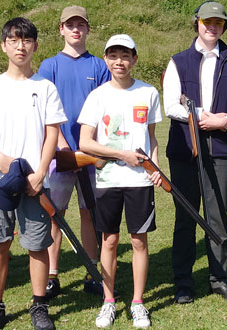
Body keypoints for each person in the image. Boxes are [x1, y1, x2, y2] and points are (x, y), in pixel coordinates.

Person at [0, 17, 66, 330]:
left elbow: (52, 134)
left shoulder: (45, 87)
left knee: (37, 246)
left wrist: (39, 174)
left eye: (26, 40)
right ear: (4, 45)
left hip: (36, 183)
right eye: (13, 40)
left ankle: (38, 305)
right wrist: (0, 159)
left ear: (35, 46)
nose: (20, 46)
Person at [162, 1, 227, 305]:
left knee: (217, 218)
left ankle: (219, 279)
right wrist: (199, 115)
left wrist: (224, 120)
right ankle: (183, 282)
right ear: (197, 23)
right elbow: (171, 104)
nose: (212, 27)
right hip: (185, 149)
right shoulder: (178, 61)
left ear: (223, 26)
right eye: (207, 22)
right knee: (186, 217)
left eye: (219, 23)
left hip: (222, 149)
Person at [78, 34, 162, 329]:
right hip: (108, 179)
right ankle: (108, 301)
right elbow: (85, 142)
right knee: (109, 240)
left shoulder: (149, 92)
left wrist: (155, 166)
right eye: (113, 56)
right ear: (106, 60)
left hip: (140, 181)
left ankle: (138, 303)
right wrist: (120, 154)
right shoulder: (98, 96)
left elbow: (151, 138)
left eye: (125, 56)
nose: (119, 62)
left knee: (139, 241)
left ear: (134, 59)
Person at [37, 5, 111, 299]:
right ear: (61, 29)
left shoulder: (99, 66)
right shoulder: (50, 65)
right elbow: (45, 111)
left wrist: (91, 150)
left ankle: (91, 271)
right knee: (56, 215)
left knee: (89, 213)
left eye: (81, 24)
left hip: (91, 156)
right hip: (59, 154)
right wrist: (62, 148)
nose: (76, 29)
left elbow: (106, 108)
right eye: (70, 25)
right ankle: (52, 275)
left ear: (88, 29)